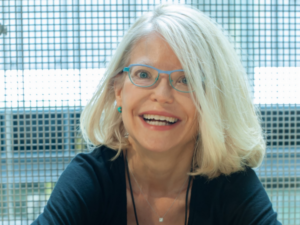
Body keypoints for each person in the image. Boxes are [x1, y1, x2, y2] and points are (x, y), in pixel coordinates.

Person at [32, 4, 281, 225]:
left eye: (186, 79)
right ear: (118, 90)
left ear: (212, 102)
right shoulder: (90, 179)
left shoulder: (232, 185)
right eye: (143, 75)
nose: (162, 95)